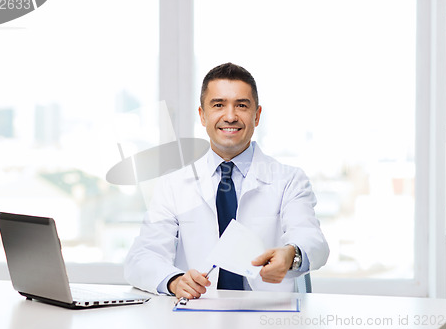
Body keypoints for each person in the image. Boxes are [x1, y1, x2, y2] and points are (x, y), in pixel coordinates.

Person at [124, 62, 329, 299]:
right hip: (197, 315)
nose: (230, 116)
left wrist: (290, 255)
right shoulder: (174, 185)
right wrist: (174, 281)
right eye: (218, 105)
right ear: (202, 115)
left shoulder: (289, 180)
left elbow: (313, 241)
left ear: (257, 115)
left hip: (266, 315)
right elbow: (142, 257)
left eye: (241, 105)